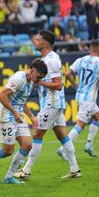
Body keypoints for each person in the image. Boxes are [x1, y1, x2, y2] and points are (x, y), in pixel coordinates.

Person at [14, 30, 81, 180]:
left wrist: (39, 82)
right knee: (62, 135)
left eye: (38, 40)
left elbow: (58, 85)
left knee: (37, 134)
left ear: (45, 43)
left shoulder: (50, 60)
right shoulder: (47, 58)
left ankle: (26, 170)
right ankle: (74, 169)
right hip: (54, 103)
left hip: (52, 103)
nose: (35, 42)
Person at [0, 59, 47, 184]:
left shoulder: (29, 82)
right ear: (32, 70)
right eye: (38, 77)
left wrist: (32, 117)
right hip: (6, 116)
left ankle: (9, 176)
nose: (38, 81)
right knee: (8, 151)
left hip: (18, 116)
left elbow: (21, 101)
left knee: (27, 145)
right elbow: (1, 95)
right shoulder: (19, 78)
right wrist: (14, 112)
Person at [56, 40, 99, 159]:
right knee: (80, 125)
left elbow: (67, 73)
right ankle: (63, 149)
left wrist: (75, 85)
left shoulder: (80, 60)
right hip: (89, 99)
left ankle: (89, 145)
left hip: (80, 95)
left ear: (90, 48)